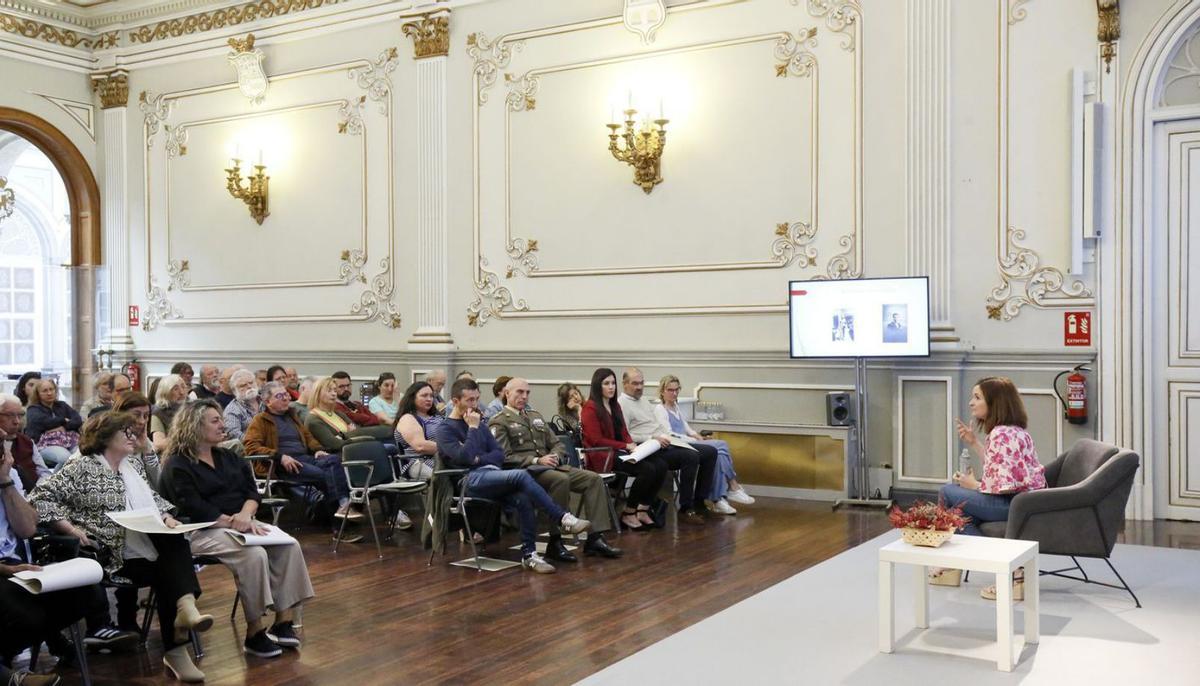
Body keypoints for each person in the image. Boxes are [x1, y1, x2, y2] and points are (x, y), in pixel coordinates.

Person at [30, 412, 214, 683]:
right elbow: (40, 497)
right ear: (105, 437)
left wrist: (166, 516)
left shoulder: (133, 466)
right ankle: (179, 636)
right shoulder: (82, 466)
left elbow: (153, 499)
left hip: (137, 549)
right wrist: (69, 528)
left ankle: (185, 615)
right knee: (170, 568)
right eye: (126, 432)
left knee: (173, 540)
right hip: (104, 555)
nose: (134, 437)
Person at [161, 400, 314, 659]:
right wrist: (233, 521)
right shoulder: (178, 464)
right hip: (202, 530)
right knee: (254, 555)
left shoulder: (229, 456)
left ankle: (283, 621)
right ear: (194, 426)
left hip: (243, 522)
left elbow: (252, 492)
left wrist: (245, 514)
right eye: (215, 420)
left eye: (221, 419)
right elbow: (193, 507)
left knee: (289, 545)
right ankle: (255, 632)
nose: (223, 425)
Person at [435, 378, 591, 574]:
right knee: (520, 475)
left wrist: (477, 456)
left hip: (493, 475)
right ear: (455, 401)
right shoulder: (445, 429)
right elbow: (465, 458)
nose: (474, 405)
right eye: (469, 400)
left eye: (476, 399)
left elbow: (498, 455)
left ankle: (529, 555)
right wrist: (473, 431)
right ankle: (562, 517)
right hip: (467, 480)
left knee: (523, 498)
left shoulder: (481, 425)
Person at [0, 429, 110, 686]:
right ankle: (11, 674)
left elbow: (27, 529)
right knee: (22, 613)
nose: (8, 456)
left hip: (16, 564)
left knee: (86, 594)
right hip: (4, 570)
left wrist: (5, 482)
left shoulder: (10, 475)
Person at [931, 376, 1047, 600]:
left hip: (1014, 504)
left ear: (994, 402)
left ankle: (957, 565)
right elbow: (999, 469)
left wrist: (973, 485)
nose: (971, 403)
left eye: (977, 398)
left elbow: (1006, 485)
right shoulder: (1015, 431)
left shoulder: (1000, 434)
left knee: (947, 493)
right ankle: (1008, 571)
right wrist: (974, 442)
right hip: (1025, 503)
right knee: (960, 512)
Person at [490, 378, 621, 560]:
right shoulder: (499, 421)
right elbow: (504, 457)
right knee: (560, 480)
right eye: (519, 392)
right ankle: (556, 539)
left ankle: (595, 538)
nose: (524, 396)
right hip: (528, 472)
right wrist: (537, 459)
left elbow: (557, 443)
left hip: (551, 466)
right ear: (507, 394)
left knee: (593, 479)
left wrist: (555, 456)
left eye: (527, 393)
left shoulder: (535, 416)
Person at [243, 381, 358, 525]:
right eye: (280, 396)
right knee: (325, 475)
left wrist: (318, 450)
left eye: (286, 394)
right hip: (282, 465)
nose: (286, 398)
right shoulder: (260, 420)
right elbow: (250, 446)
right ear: (268, 401)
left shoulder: (292, 416)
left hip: (305, 458)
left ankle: (340, 507)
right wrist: (280, 457)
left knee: (333, 460)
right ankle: (340, 522)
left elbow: (308, 437)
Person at [618, 368, 717, 523]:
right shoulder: (622, 404)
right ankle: (685, 508)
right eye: (635, 383)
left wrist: (666, 436)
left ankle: (699, 501)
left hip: (662, 441)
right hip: (648, 447)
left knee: (710, 452)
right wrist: (653, 437)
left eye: (642, 383)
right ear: (624, 384)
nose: (639, 387)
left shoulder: (643, 400)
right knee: (690, 456)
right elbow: (626, 435)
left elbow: (657, 425)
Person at [655, 375, 754, 515]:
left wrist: (697, 436)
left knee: (718, 453)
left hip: (688, 442)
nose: (674, 393)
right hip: (679, 446)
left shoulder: (675, 406)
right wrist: (694, 440)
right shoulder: (660, 409)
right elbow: (670, 434)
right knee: (721, 444)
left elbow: (686, 427)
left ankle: (718, 498)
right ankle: (732, 485)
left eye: (677, 390)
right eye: (670, 390)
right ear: (663, 391)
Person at [581, 368, 665, 531]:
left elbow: (624, 432)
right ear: (597, 386)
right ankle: (628, 512)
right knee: (647, 469)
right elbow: (596, 440)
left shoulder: (615, 405)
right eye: (606, 384)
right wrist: (626, 446)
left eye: (612, 383)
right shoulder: (590, 408)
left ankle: (643, 509)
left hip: (619, 452)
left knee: (660, 465)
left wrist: (632, 446)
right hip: (602, 455)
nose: (611, 387)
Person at [24, 379, 82, 469]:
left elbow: (77, 420)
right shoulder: (33, 409)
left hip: (70, 441)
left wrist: (64, 427)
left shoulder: (62, 405)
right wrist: (63, 420)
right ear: (38, 394)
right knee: (66, 458)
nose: (49, 393)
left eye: (51, 389)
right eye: (45, 391)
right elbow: (44, 423)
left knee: (83, 456)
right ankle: (53, 481)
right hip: (45, 445)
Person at [0, 394, 51, 492]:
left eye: (20, 415)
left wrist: (37, 493)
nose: (17, 421)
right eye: (10, 415)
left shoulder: (27, 442)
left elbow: (45, 474)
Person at [150, 374, 188, 454]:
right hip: (172, 455)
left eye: (183, 387)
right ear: (165, 392)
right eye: (176, 389)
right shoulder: (159, 412)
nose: (181, 392)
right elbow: (159, 443)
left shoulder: (192, 408)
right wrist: (187, 440)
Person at [223, 369, 262, 442]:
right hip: (250, 449)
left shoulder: (267, 400)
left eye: (251, 382)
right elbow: (233, 434)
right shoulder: (232, 409)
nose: (249, 386)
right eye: (243, 385)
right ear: (234, 391)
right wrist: (256, 443)